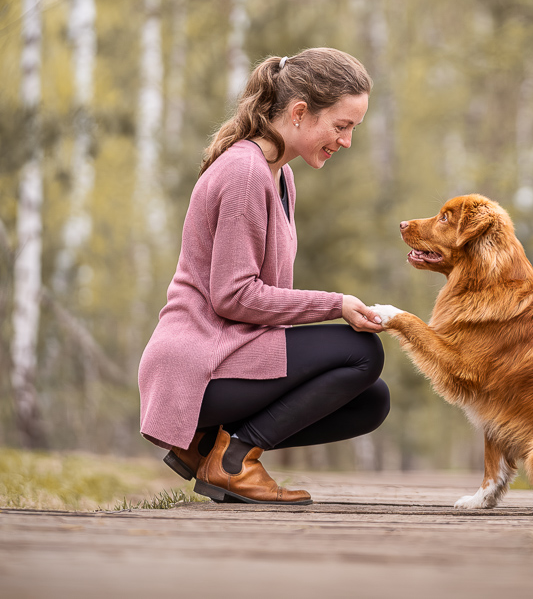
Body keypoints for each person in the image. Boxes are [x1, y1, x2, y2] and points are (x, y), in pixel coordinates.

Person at [138, 48, 389, 506]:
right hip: (198, 364)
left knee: (371, 400)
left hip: (231, 351)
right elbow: (233, 297)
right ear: (299, 113)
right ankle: (232, 459)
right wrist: (335, 305)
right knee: (360, 352)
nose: (347, 141)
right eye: (342, 126)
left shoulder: (280, 176)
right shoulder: (245, 172)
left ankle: (208, 446)